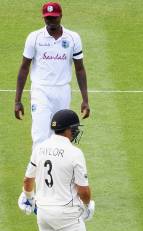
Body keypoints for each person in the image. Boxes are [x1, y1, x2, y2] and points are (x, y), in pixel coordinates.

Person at [15, 2, 90, 145]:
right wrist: (17, 101)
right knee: (40, 136)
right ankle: (37, 168)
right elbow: (24, 67)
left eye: (54, 17)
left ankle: (57, 167)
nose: (51, 21)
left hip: (63, 91)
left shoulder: (73, 38)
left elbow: (79, 69)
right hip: (40, 90)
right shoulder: (34, 37)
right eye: (48, 18)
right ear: (43, 18)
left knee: (62, 136)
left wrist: (85, 100)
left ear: (61, 16)